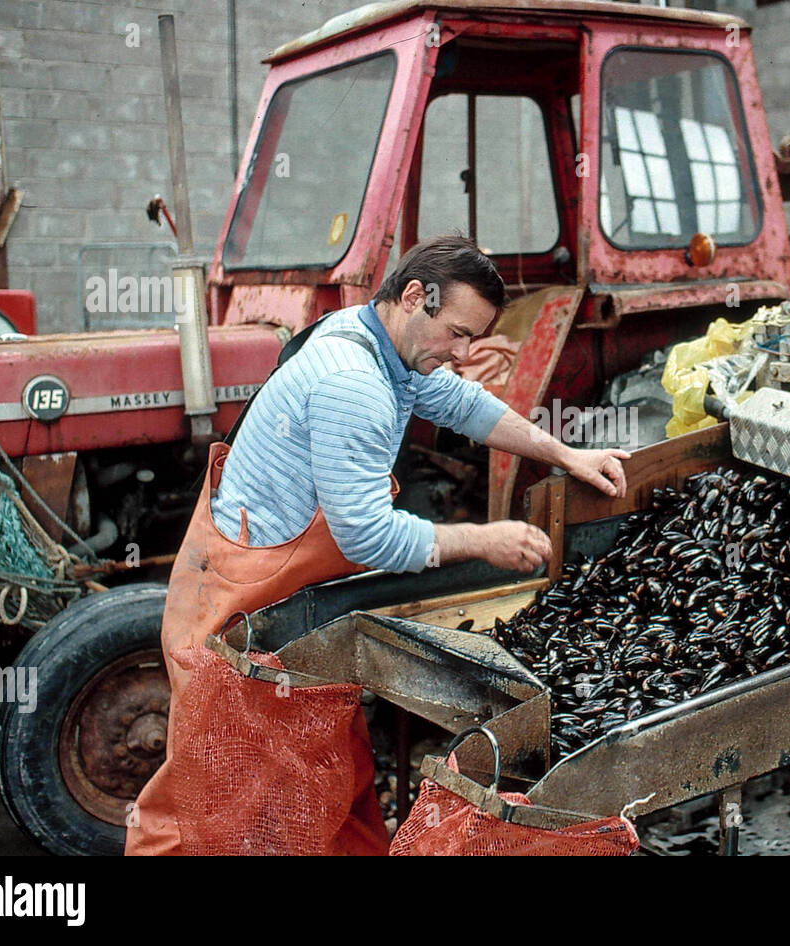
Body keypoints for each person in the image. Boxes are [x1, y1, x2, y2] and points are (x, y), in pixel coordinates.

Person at [125, 235, 629, 855]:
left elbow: (465, 405)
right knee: (217, 803)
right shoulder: (352, 382)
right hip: (242, 613)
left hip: (285, 592)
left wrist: (566, 453)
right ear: (415, 296)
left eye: (475, 338)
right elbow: (365, 533)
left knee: (321, 788)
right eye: (460, 333)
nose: (465, 353)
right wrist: (483, 540)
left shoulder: (383, 340)